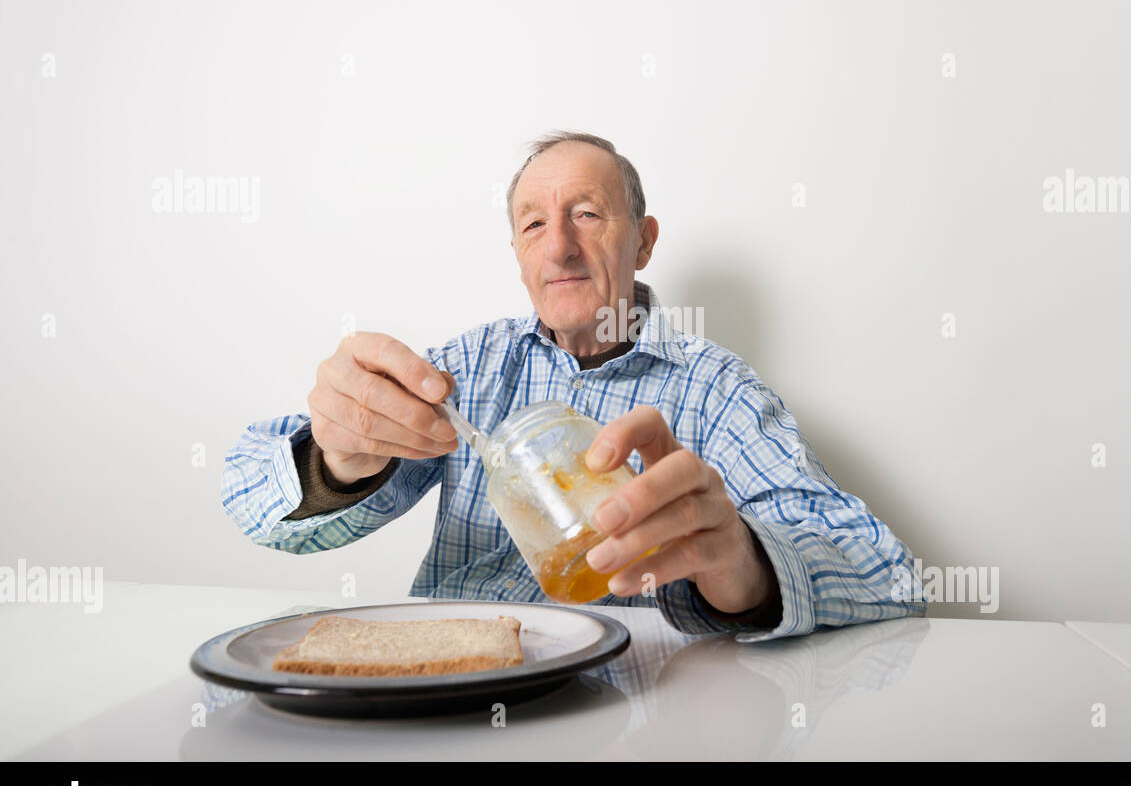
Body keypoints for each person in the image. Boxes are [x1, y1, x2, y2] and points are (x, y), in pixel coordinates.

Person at [221, 131, 927, 642]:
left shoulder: (715, 390)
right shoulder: (464, 374)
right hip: (450, 705)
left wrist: (743, 567)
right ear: (518, 255)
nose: (557, 246)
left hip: (631, 719)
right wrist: (338, 458)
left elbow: (889, 577)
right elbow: (249, 502)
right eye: (533, 224)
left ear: (644, 241)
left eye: (586, 215)